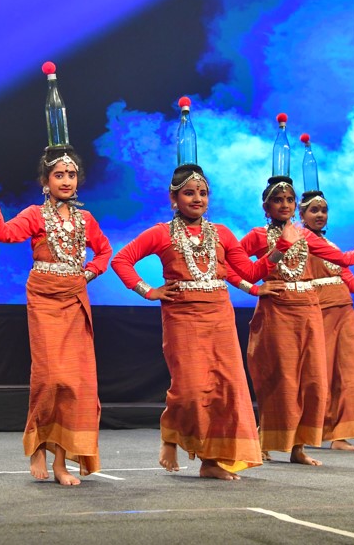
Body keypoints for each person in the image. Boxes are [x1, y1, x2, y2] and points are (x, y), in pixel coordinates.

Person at [110, 164, 297, 480]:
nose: (197, 198)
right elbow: (121, 260)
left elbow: (251, 272)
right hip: (182, 317)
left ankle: (211, 461)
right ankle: (171, 432)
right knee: (190, 390)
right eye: (189, 193)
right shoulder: (160, 233)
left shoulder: (222, 233)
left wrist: (281, 248)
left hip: (219, 316)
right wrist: (149, 291)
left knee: (224, 389)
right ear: (174, 198)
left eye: (202, 193)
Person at [0, 145, 111, 486]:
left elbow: (104, 251)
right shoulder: (34, 215)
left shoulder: (86, 220)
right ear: (45, 182)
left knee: (74, 383)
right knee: (51, 379)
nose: (66, 181)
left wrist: (89, 273)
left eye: (71, 175)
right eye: (59, 175)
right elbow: (3, 233)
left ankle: (60, 462)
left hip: (74, 300)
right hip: (44, 300)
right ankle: (38, 441)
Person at [239, 176, 354, 466]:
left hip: (309, 310)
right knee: (281, 378)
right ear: (266, 207)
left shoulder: (307, 237)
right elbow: (235, 266)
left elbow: (345, 260)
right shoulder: (258, 235)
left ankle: (299, 447)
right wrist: (254, 288)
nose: (285, 205)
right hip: (278, 312)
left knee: (312, 380)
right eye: (278, 200)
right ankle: (265, 439)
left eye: (289, 200)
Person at [299, 190, 354, 452]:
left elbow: (352, 285)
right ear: (301, 215)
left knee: (346, 373)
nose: (320, 215)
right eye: (314, 210)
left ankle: (340, 435)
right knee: (318, 373)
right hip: (318, 311)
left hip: (344, 312)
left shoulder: (331, 246)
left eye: (324, 210)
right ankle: (308, 431)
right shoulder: (300, 241)